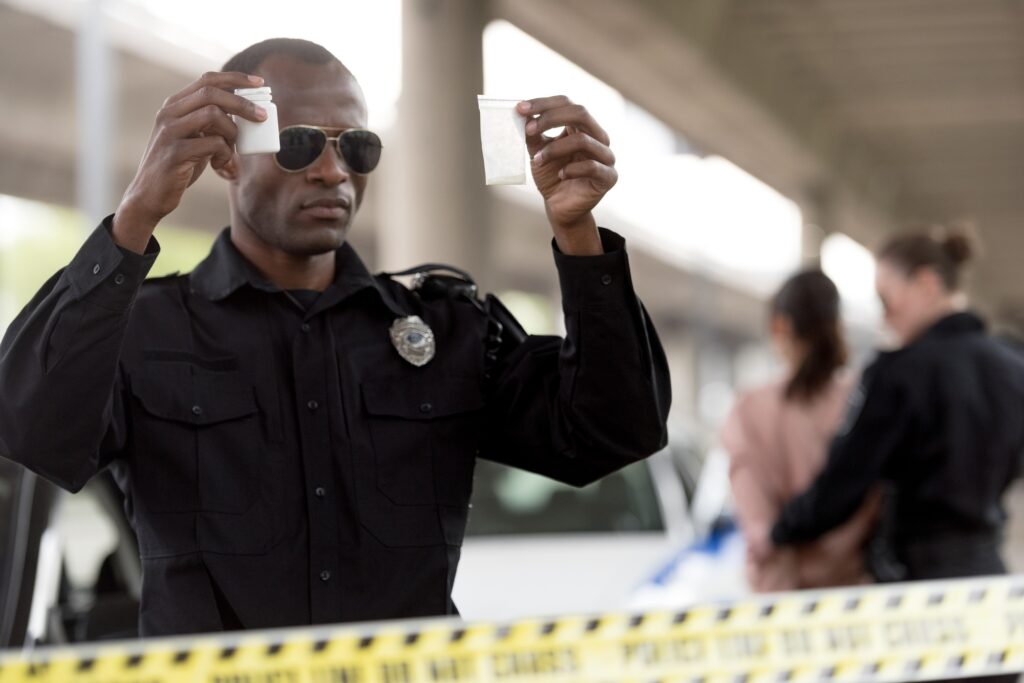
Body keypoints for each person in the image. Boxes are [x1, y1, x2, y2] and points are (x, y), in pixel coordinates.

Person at [0, 38, 670, 636]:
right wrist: (137, 214)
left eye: (356, 145)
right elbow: (28, 426)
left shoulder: (441, 327)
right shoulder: (146, 330)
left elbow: (610, 430)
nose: (333, 170)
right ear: (226, 158)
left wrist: (580, 239)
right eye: (299, 144)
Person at [762, 227, 1024, 592]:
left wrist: (780, 530)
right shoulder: (1013, 366)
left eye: (886, 300)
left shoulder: (898, 373)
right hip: (992, 579)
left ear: (926, 284)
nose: (884, 318)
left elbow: (844, 482)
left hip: (914, 588)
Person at [722, 270, 879, 592]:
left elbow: (755, 522)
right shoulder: (864, 402)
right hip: (855, 594)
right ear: (838, 325)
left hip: (779, 597)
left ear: (780, 327)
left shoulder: (748, 409)